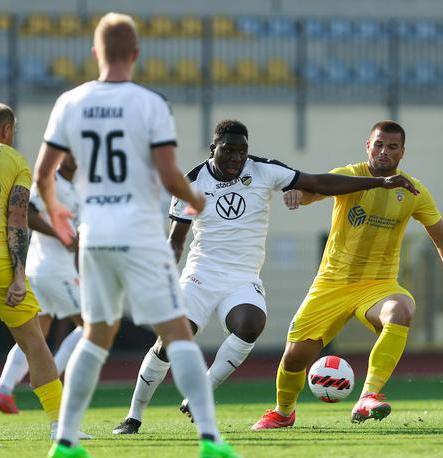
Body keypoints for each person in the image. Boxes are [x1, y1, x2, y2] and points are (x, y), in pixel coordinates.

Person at [112, 119, 419, 435]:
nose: (236, 158)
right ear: (212, 149)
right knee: (172, 340)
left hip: (243, 278)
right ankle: (133, 416)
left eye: (242, 152)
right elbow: (176, 241)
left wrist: (378, 183)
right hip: (200, 277)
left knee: (251, 324)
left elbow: (319, 182)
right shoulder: (192, 185)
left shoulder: (263, 171)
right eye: (229, 150)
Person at [36, 12, 240, 458]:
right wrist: (196, 200)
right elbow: (169, 175)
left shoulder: (70, 102)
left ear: (95, 53)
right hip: (140, 233)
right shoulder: (149, 103)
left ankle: (65, 443)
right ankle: (210, 440)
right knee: (176, 334)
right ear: (136, 55)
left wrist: (56, 212)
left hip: (95, 234)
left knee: (95, 336)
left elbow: (43, 174)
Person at [252, 120, 443, 430]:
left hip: (378, 285)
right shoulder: (349, 175)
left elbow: (442, 235)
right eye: (379, 144)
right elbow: (314, 189)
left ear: (402, 152)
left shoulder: (413, 191)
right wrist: (297, 195)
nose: (384, 151)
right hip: (331, 283)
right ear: (368, 146)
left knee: (401, 309)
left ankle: (369, 395)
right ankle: (283, 411)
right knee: (294, 358)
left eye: (392, 147)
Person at [0, 103, 85, 440]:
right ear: (7, 130)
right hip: (0, 261)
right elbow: (19, 218)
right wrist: (18, 274)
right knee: (34, 340)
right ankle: (58, 424)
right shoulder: (14, 160)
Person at [0, 152, 84, 414]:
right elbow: (27, 213)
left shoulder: (74, 187)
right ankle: (54, 379)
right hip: (53, 271)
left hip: (46, 270)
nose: (75, 155)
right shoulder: (49, 181)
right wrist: (60, 233)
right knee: (95, 327)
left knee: (36, 335)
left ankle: (3, 391)